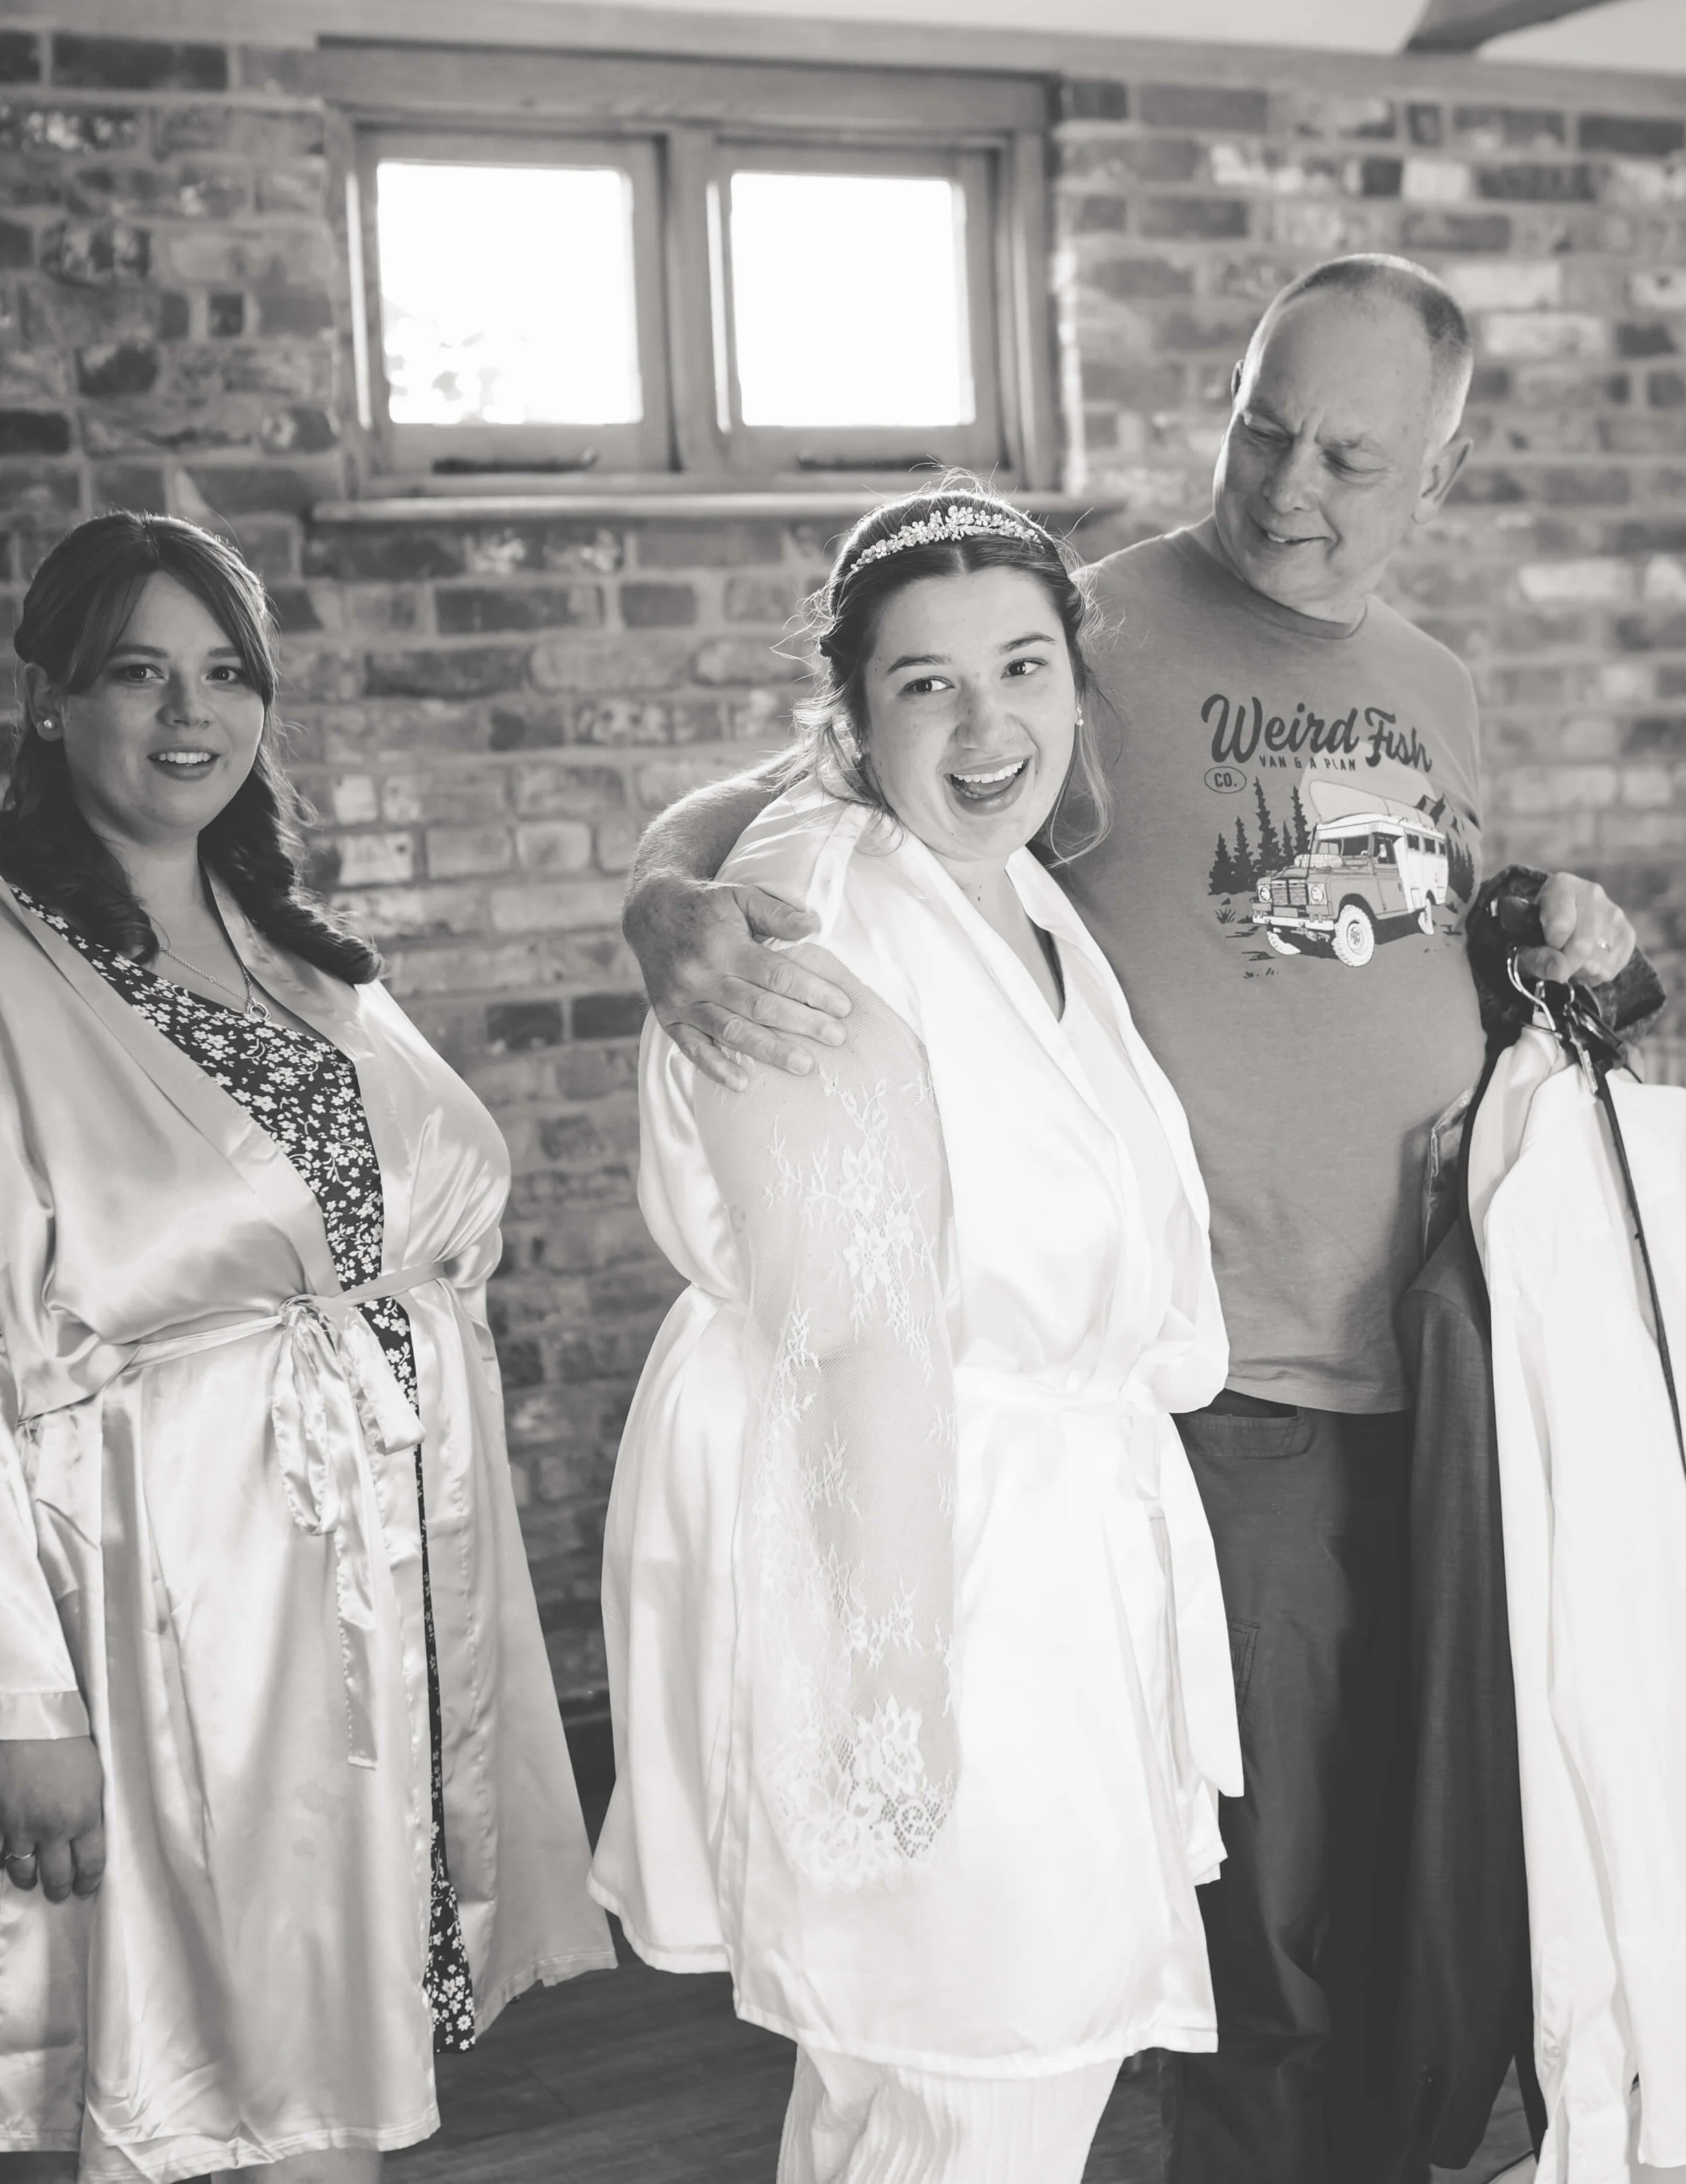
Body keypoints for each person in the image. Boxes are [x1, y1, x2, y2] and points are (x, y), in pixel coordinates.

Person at [616, 257, 1645, 2184]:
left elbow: (1400, 926)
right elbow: (784, 785)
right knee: (1243, 1936)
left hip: (1434, 1368)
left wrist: (1546, 921)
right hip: (1217, 1392)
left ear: (1439, 466)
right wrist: (661, 903)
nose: (1287, 484)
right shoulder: (1078, 632)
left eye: (1347, 456)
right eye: (1262, 428)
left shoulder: (1432, 682)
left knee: (1427, 1888)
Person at [591, 490, 1243, 2184]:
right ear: (851, 712)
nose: (983, 725)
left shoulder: (1001, 885)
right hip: (925, 1571)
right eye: (923, 685)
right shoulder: (820, 917)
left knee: (921, 2097)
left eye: (1021, 667)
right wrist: (892, 1705)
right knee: (981, 2082)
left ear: (1077, 680)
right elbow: (846, 1334)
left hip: (1041, 1560)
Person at [0, 512, 615, 2184]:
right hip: (162, 1588)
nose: (190, 713)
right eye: (137, 672)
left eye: (225, 673)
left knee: (332, 2072)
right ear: (48, 698)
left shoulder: (289, 945)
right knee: (215, 2084)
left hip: (377, 1581)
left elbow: (424, 1220)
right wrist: (16, 1698)